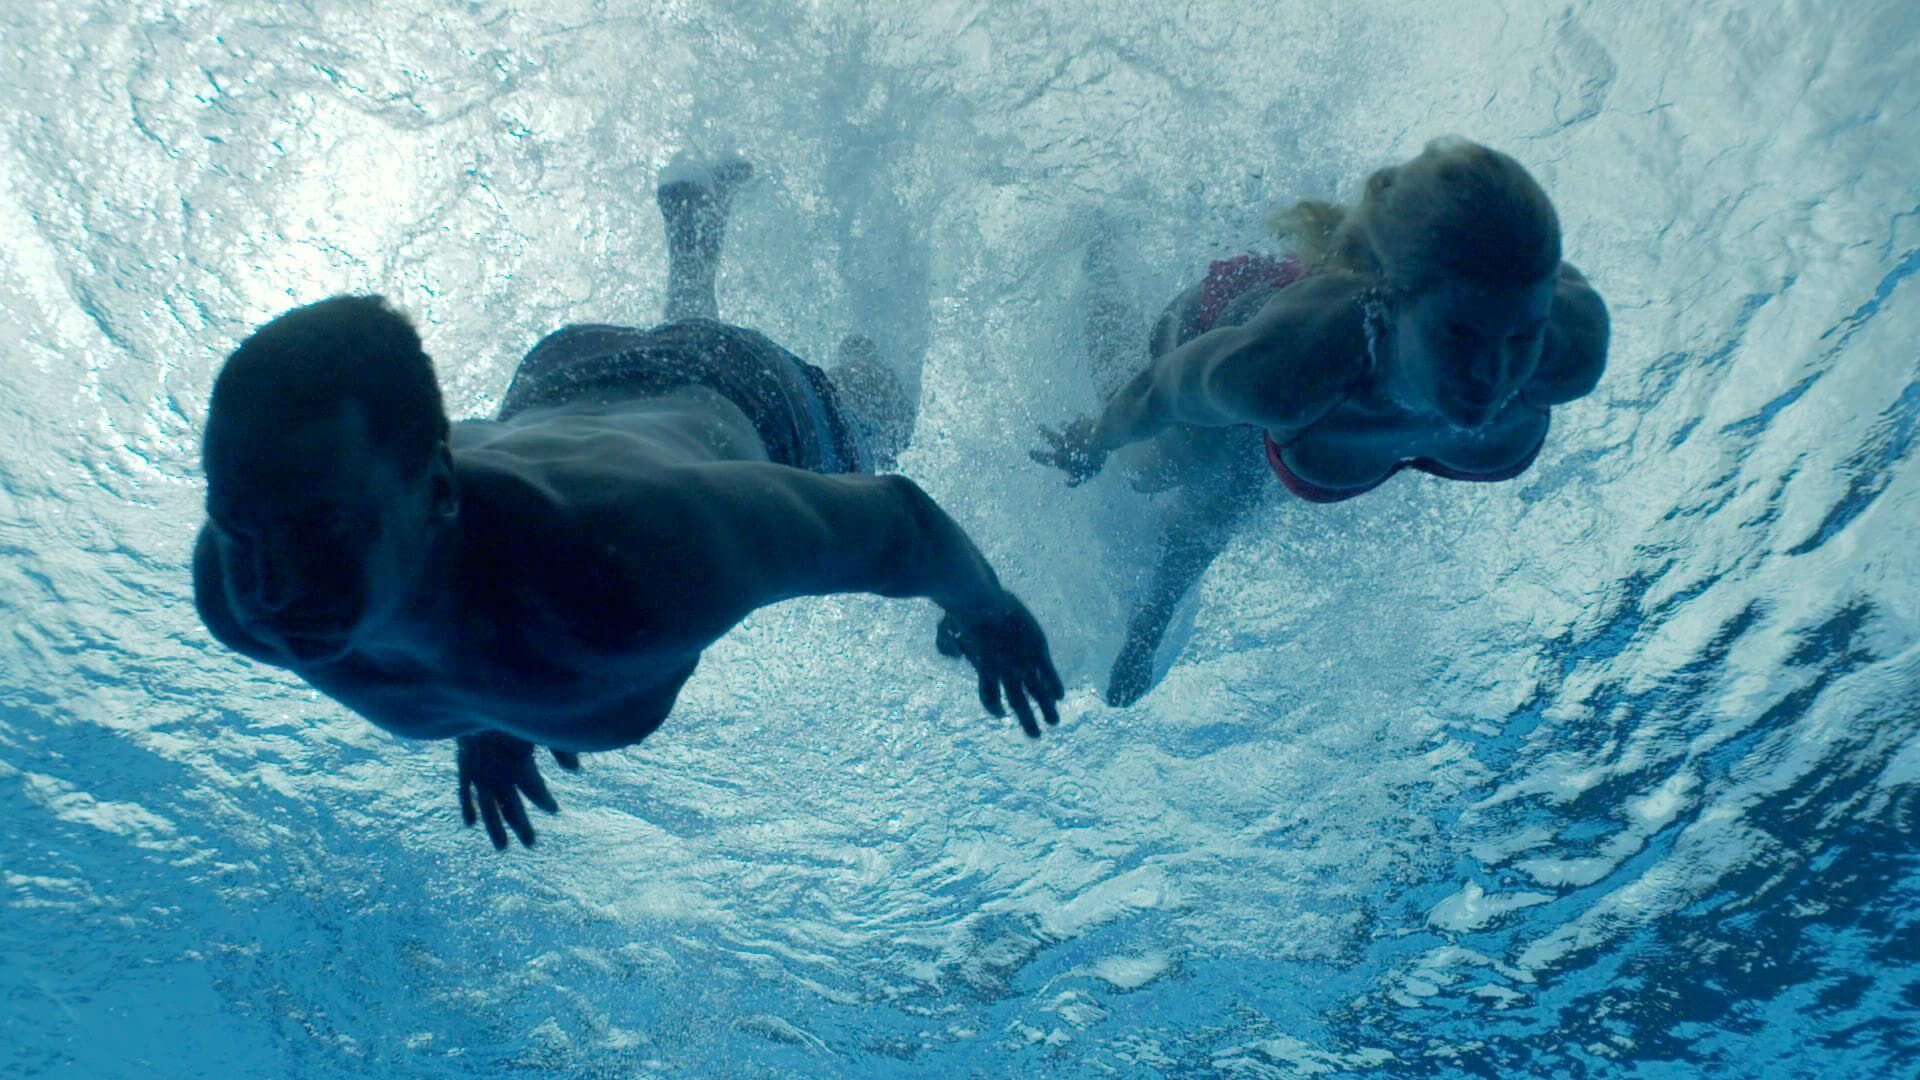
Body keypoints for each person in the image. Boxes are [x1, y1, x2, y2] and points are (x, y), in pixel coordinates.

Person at [193, 155, 1064, 851]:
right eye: (235, 531)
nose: (272, 586)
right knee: (680, 377)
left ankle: (890, 255)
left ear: (440, 493)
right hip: (559, 387)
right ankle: (694, 230)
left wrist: (986, 612)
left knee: (880, 419)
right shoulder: (240, 574)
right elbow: (444, 597)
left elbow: (901, 523)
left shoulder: (633, 569)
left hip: (736, 392)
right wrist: (489, 723)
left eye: (323, 536)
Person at [1034, 137, 1610, 707]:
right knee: (1151, 469)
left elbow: (1509, 277)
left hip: (1332, 354)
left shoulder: (1568, 351)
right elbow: (1156, 391)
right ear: (1387, 299)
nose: (1494, 374)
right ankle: (1099, 256)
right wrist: (1095, 440)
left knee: (1233, 485)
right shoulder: (1286, 371)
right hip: (1227, 317)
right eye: (1460, 336)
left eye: (1524, 336)